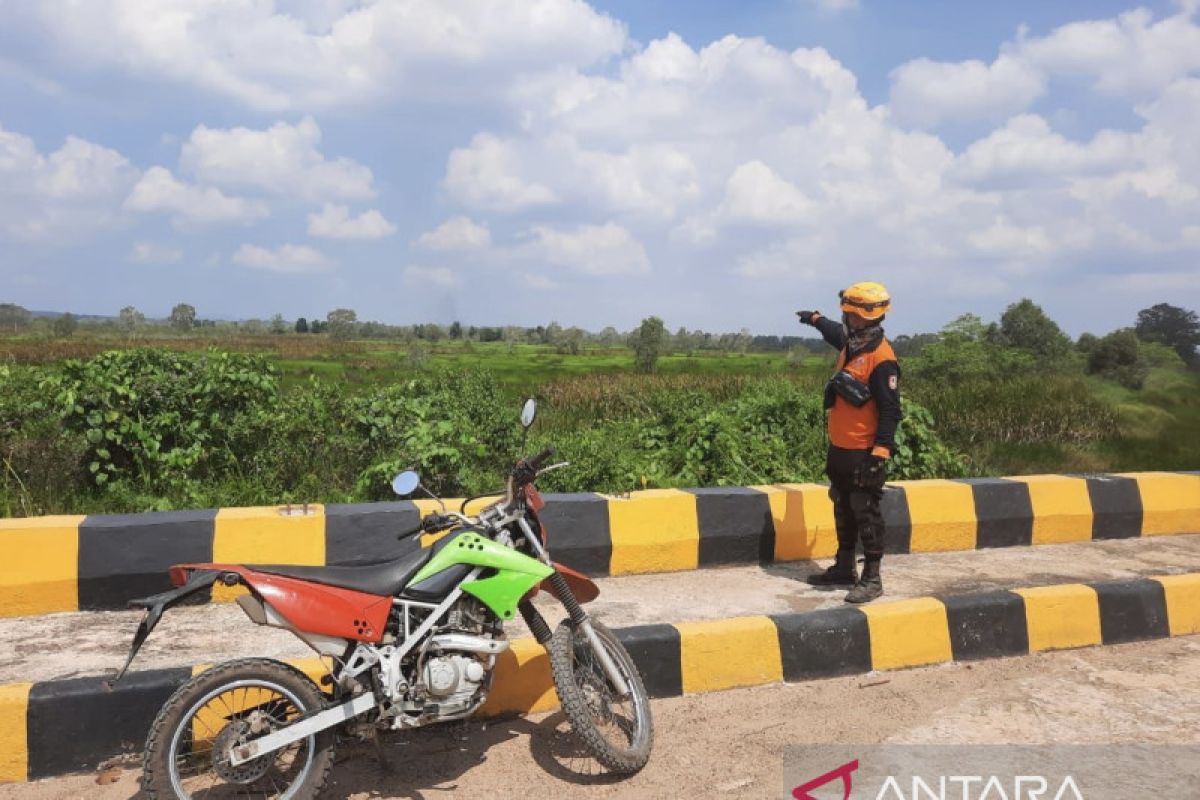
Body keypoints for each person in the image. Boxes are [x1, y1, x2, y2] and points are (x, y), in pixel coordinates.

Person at [796, 281, 901, 604]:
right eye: (847, 315)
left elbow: (890, 409)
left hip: (863, 451)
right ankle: (844, 567)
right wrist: (815, 319)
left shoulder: (881, 358)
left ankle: (872, 577)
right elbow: (834, 334)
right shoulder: (854, 344)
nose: (849, 320)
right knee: (842, 505)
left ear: (871, 318)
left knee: (864, 511)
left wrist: (880, 452)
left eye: (854, 316)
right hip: (840, 446)